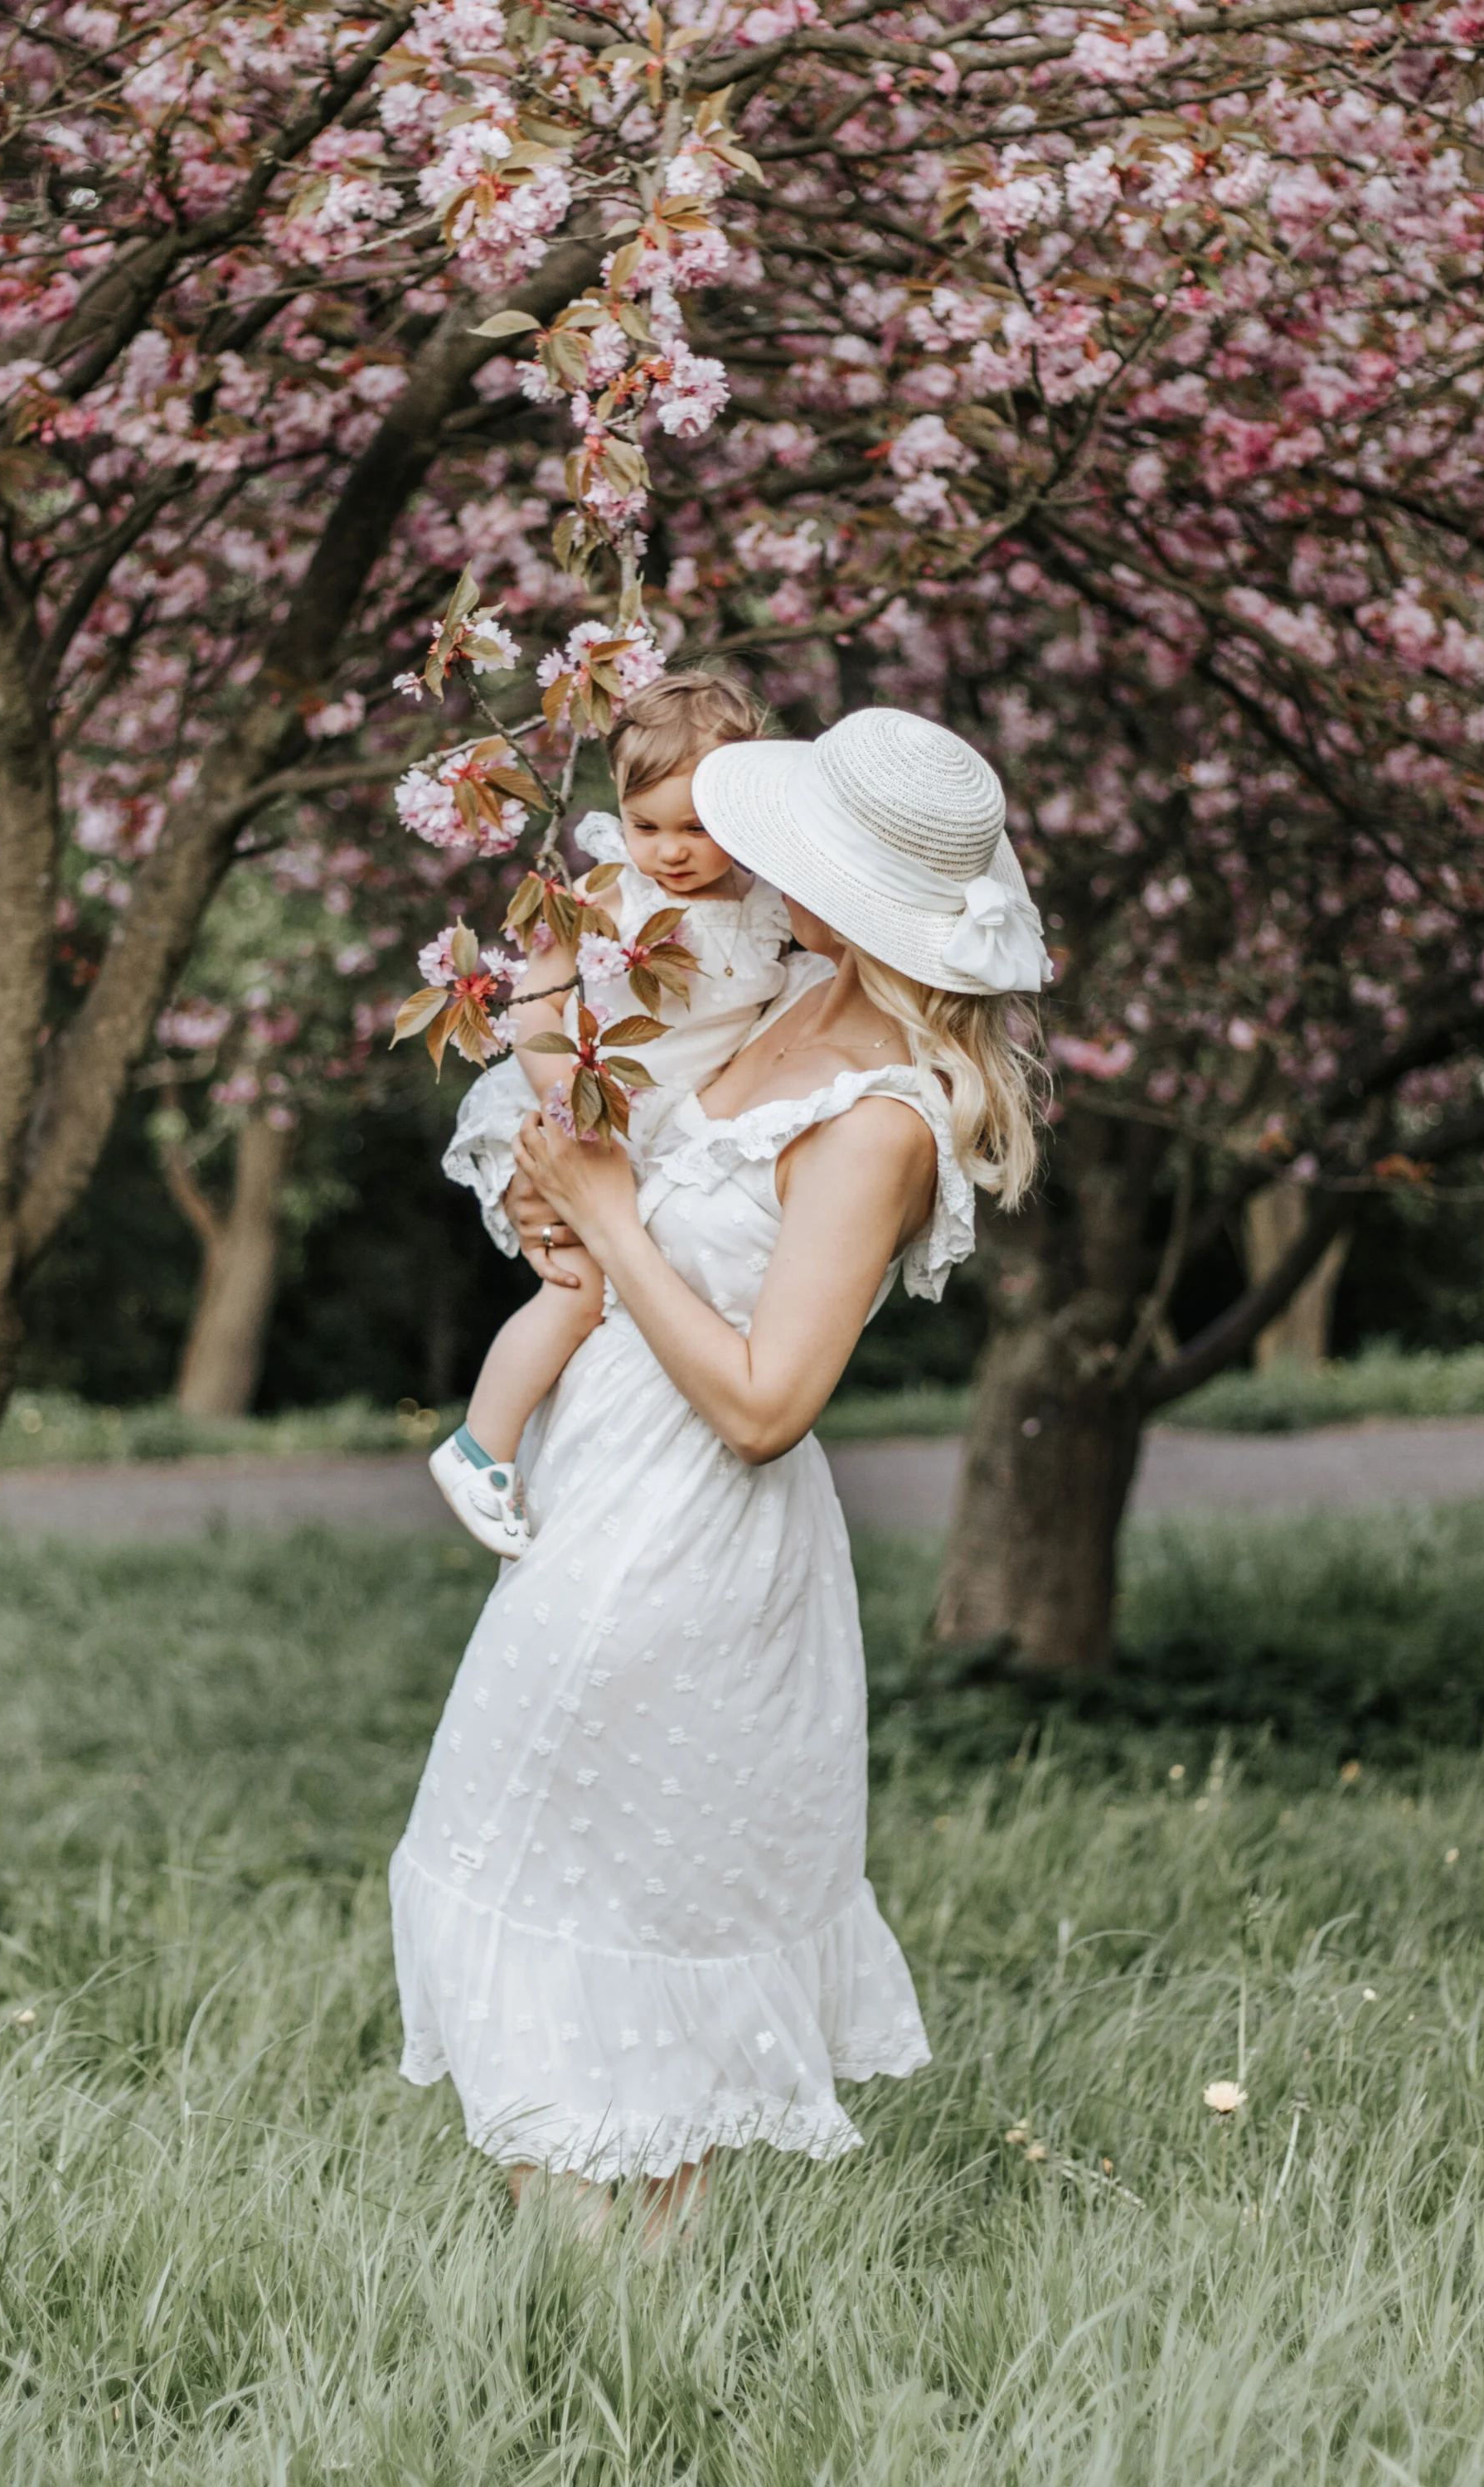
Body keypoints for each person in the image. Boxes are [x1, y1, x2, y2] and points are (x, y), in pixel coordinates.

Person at [390, 706, 1052, 2240]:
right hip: (602, 1490)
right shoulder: (786, 986)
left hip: (688, 1539)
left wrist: (611, 1222)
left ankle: (631, 2340)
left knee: (591, 1908)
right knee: (546, 1890)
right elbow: (616, 1131)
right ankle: (605, 2338)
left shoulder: (883, 1113)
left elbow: (768, 1403)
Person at [429, 671, 807, 1559]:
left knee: (639, 1306)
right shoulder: (607, 892)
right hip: (579, 1115)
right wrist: (567, 1102)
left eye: (696, 829)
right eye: (647, 825)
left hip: (664, 1136)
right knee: (577, 1293)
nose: (670, 852)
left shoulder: (769, 911)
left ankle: (566, 1468)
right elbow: (535, 1008)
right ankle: (479, 1446)